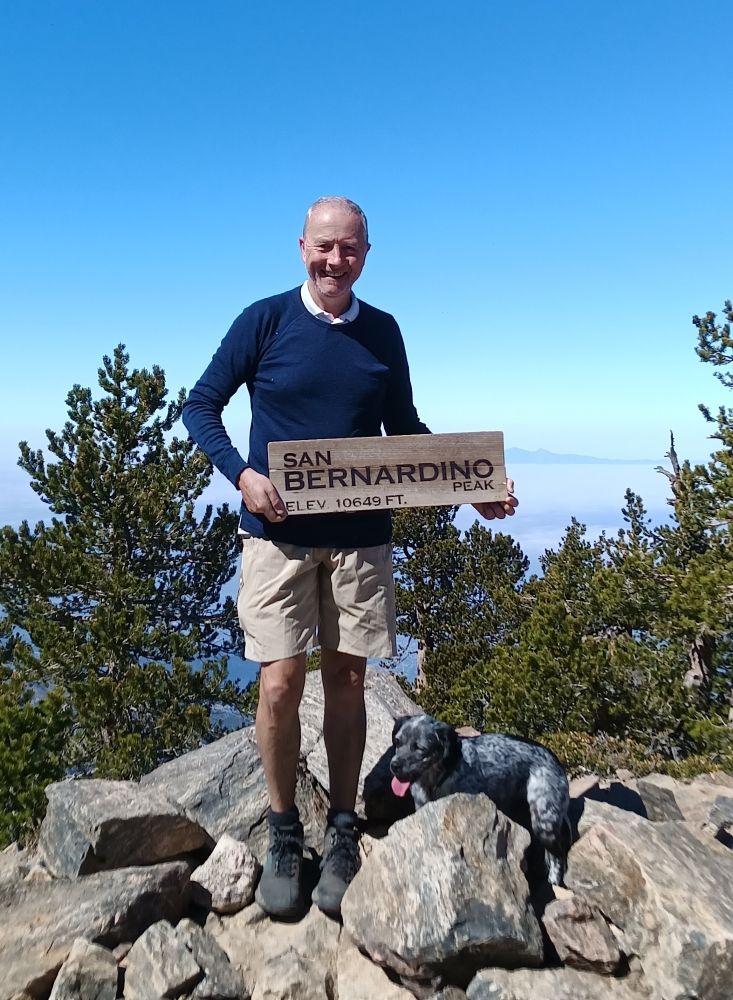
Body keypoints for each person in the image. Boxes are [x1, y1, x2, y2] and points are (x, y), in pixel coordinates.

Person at [182, 196, 517, 919]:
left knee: (347, 679)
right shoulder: (263, 320)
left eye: (351, 249)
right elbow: (200, 404)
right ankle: (280, 830)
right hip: (277, 536)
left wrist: (472, 487)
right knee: (277, 683)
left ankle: (339, 829)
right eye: (324, 247)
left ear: (367, 253)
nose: (336, 260)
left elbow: (405, 431)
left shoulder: (383, 331)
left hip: (362, 538)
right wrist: (241, 473)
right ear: (301, 245)